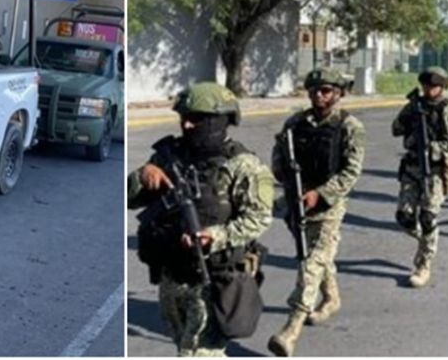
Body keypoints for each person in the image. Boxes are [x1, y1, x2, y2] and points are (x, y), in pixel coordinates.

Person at [128, 82, 274, 356]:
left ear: (219, 121)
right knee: (183, 347)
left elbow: (259, 217)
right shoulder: (169, 156)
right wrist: (143, 176)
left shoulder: (243, 166)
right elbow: (129, 198)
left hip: (212, 278)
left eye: (196, 119)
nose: (187, 125)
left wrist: (215, 236)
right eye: (184, 117)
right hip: (171, 276)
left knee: (197, 353)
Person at [267, 69, 365, 357]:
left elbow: (351, 172)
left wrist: (319, 194)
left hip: (328, 207)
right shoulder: (295, 123)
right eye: (314, 90)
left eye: (326, 90)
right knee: (318, 257)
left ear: (338, 93)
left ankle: (291, 331)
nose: (319, 96)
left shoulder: (349, 126)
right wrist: (283, 175)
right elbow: (278, 153)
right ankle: (332, 298)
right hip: (296, 201)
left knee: (309, 264)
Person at [390, 67, 448, 287]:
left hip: (435, 171)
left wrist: (432, 148)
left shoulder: (447, 110)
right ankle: (427, 238)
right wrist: (408, 119)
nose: (428, 89)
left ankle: (423, 265)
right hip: (412, 168)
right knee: (404, 217)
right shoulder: (414, 105)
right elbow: (395, 129)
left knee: (428, 217)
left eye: (433, 86)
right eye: (426, 85)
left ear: (442, 87)